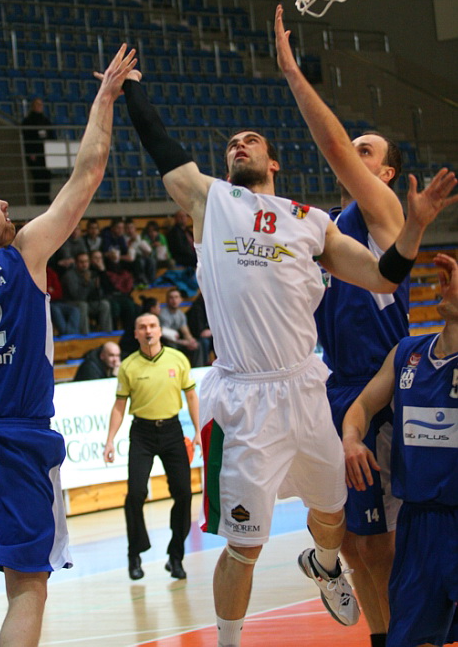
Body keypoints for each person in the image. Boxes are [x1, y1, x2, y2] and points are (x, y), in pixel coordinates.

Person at [119, 56, 458, 647]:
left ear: (274, 162)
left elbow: (383, 275)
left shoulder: (312, 221)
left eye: (251, 139)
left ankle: (324, 565)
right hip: (247, 395)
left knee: (334, 516)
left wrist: (416, 226)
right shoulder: (211, 201)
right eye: (232, 142)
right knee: (245, 545)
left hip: (308, 386)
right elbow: (161, 145)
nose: (239, 143)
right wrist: (130, 90)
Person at [0, 44, 137, 647]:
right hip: (17, 440)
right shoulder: (23, 256)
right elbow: (87, 174)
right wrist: (104, 98)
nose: (5, 204)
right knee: (27, 584)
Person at [275, 4, 407, 645]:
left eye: (366, 151)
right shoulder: (321, 231)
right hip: (335, 387)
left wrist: (294, 75)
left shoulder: (384, 213)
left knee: (386, 545)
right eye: (353, 148)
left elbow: (331, 147)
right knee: (358, 542)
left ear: (385, 173)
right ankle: (332, 568)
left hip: (388, 385)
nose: (353, 155)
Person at [342, 252, 458, 647]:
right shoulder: (407, 352)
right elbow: (362, 405)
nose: (446, 284)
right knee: (409, 637)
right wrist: (351, 438)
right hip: (418, 523)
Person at [103, 313, 201, 582]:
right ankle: (134, 554)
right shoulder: (128, 365)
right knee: (135, 494)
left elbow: (191, 396)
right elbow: (119, 405)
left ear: (160, 331)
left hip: (172, 431)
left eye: (153, 326)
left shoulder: (177, 359)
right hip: (142, 433)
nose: (148, 331)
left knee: (183, 494)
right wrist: (110, 440)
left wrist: (198, 431)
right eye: (142, 327)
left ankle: (176, 556)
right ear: (135, 334)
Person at [61, 251, 113, 335]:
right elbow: (77, 296)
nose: (84, 265)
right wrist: (86, 283)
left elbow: (99, 296)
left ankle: (107, 335)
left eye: (86, 262)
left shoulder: (91, 273)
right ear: (76, 263)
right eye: (81, 262)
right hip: (71, 303)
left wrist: (97, 288)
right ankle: (85, 335)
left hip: (88, 302)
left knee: (104, 304)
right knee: (83, 305)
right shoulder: (70, 276)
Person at [88, 249, 137, 332]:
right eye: (95, 258)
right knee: (114, 306)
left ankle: (128, 331)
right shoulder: (88, 271)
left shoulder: (105, 269)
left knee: (129, 304)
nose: (98, 261)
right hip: (98, 299)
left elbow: (109, 287)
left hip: (111, 295)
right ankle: (114, 331)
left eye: (100, 258)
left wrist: (102, 271)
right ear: (90, 260)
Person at [21, 97, 54, 206]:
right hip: (35, 154)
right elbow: (27, 139)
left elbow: (52, 135)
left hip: (46, 154)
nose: (39, 107)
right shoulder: (28, 121)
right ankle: (39, 200)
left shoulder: (46, 120)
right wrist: (31, 152)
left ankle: (46, 198)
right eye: (37, 105)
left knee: (47, 176)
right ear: (33, 106)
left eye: (41, 105)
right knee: (38, 177)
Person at [159, 287, 202, 368]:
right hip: (166, 343)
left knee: (197, 346)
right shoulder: (163, 314)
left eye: (176, 297)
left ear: (181, 299)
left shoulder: (181, 314)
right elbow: (166, 337)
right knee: (172, 346)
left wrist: (191, 340)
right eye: (171, 298)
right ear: (167, 300)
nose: (174, 300)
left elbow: (185, 331)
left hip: (177, 341)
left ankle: (196, 369)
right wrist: (184, 342)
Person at [46, 264, 82, 336]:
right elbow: (42, 294)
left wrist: (49, 292)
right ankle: (68, 335)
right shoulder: (34, 273)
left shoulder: (50, 272)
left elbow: (59, 293)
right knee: (55, 310)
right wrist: (50, 291)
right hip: (45, 304)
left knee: (75, 310)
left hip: (57, 302)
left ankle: (70, 335)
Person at [124, 217, 156, 286]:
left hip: (142, 256)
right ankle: (142, 281)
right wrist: (131, 242)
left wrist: (145, 250)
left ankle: (151, 282)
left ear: (134, 228)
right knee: (140, 261)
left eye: (131, 227)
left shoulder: (139, 237)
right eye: (127, 228)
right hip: (131, 259)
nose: (130, 230)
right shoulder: (124, 239)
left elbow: (148, 250)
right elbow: (129, 253)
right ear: (125, 229)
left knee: (152, 260)